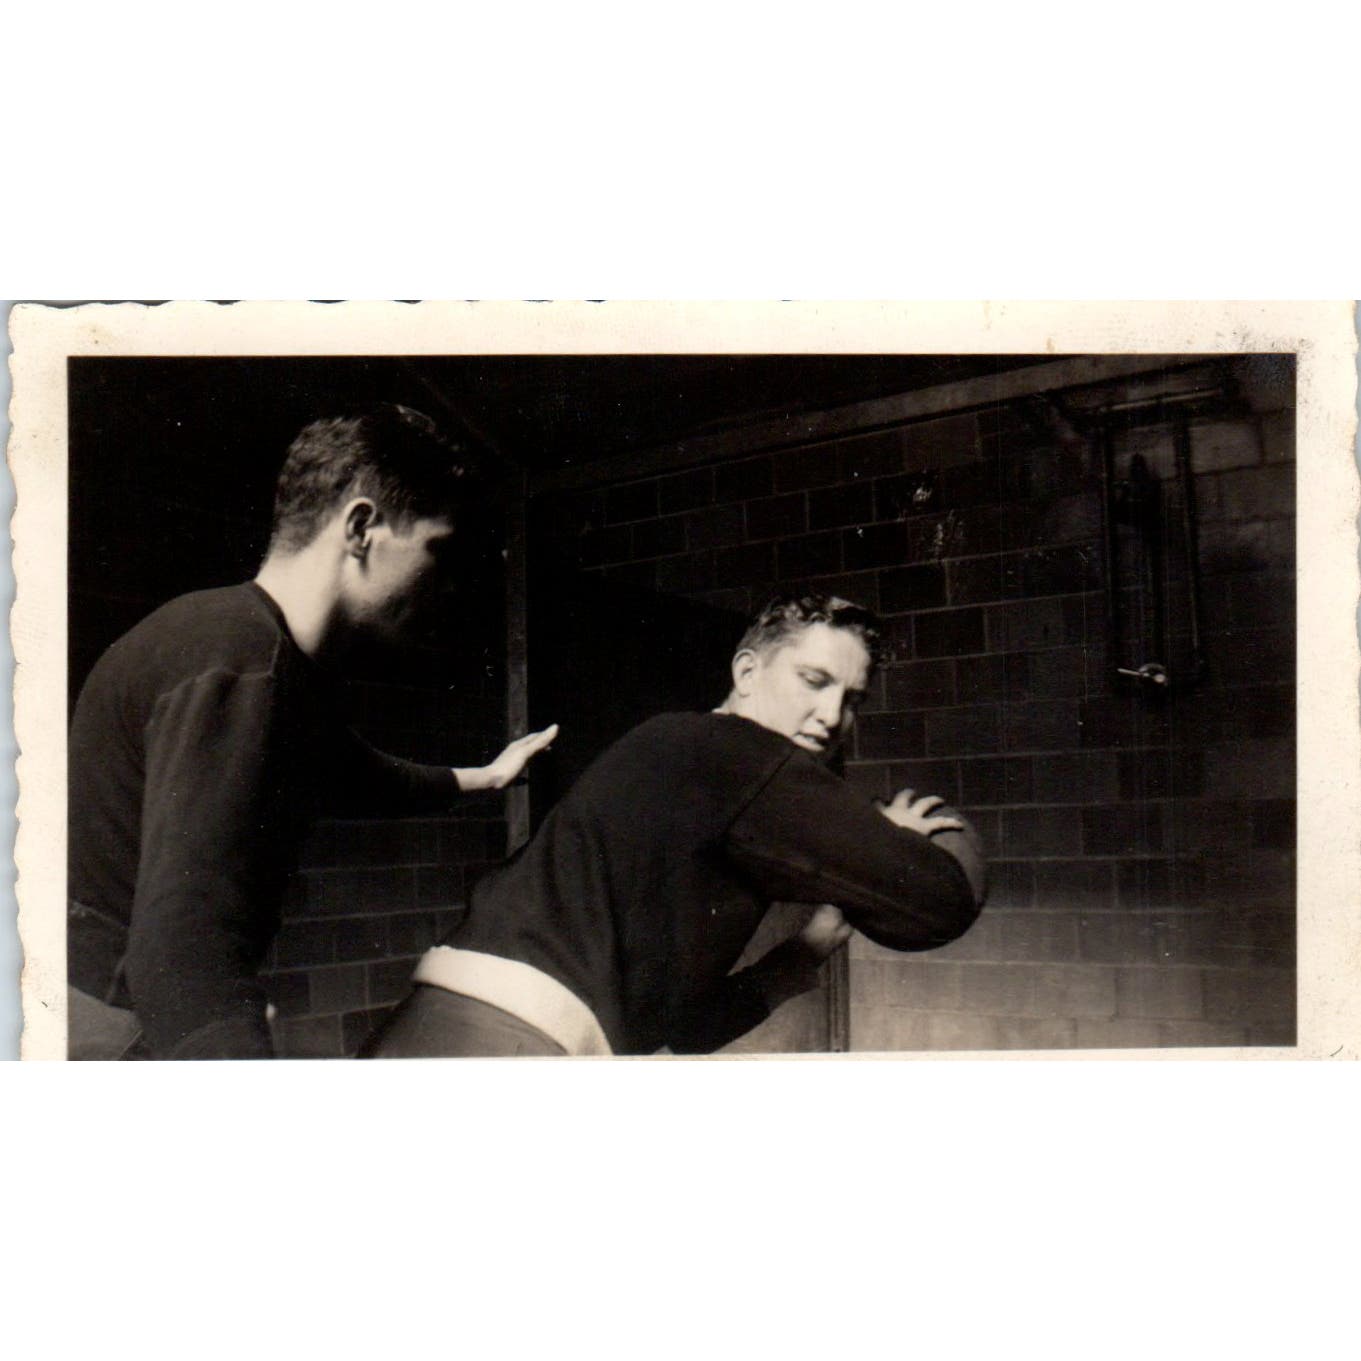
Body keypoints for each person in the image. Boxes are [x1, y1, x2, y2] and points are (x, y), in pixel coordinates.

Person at [67, 404, 557, 1060]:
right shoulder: (244, 663)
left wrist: (485, 776)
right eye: (435, 550)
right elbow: (182, 951)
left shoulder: (256, 652)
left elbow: (350, 770)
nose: (441, 585)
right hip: (101, 1019)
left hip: (120, 1003)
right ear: (360, 527)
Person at [364, 592, 986, 1058]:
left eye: (853, 699)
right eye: (814, 681)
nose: (830, 715)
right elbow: (939, 902)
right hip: (500, 1048)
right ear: (746, 673)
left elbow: (686, 1029)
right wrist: (898, 845)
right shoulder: (732, 752)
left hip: (437, 1033)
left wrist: (807, 948)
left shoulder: (699, 770)